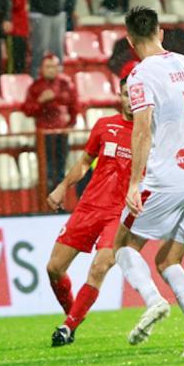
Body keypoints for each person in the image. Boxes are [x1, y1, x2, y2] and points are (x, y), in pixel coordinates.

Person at [114, 6, 184, 358]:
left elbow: (142, 128)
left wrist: (135, 183)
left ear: (131, 41)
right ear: (161, 33)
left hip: (169, 177)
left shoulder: (140, 75)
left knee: (123, 246)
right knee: (168, 260)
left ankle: (152, 301)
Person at [47, 77, 134, 346]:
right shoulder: (104, 126)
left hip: (119, 214)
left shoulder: (150, 132)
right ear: (119, 97)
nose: (130, 100)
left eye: (134, 94)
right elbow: (85, 163)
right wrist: (62, 187)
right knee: (54, 268)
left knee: (99, 267)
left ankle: (67, 326)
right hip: (88, 207)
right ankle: (73, 316)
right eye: (125, 94)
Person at [22, 54, 79, 192]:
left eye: (54, 66)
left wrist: (70, 125)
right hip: (44, 135)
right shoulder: (35, 87)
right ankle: (46, 202)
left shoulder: (66, 84)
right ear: (41, 69)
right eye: (48, 67)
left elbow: (75, 107)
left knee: (60, 169)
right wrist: (40, 101)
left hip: (61, 133)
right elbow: (27, 110)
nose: (51, 70)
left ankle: (58, 203)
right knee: (46, 170)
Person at [23, 0, 66, 78]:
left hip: (58, 11)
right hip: (40, 13)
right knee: (39, 51)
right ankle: (36, 84)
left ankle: (60, 83)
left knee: (58, 51)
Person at [7, 0, 29, 74]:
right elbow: (17, 5)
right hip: (14, 30)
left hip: (23, 30)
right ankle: (11, 85)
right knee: (13, 62)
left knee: (21, 61)